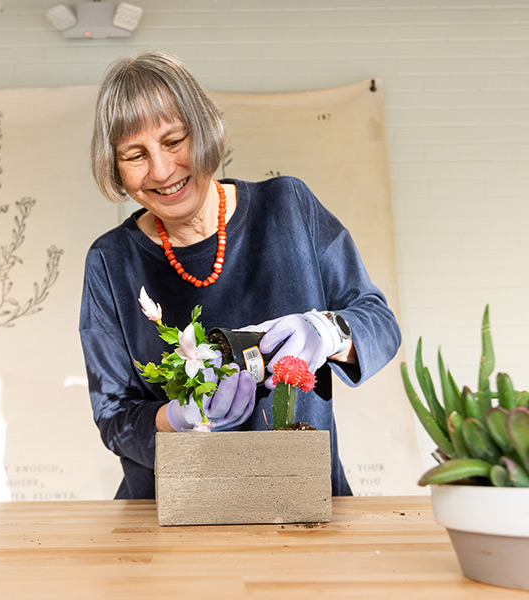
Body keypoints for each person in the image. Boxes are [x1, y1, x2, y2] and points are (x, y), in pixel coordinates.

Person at [80, 50, 401, 500]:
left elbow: (379, 321)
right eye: (135, 155)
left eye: (174, 142)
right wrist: (177, 418)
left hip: (299, 502)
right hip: (170, 515)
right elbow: (114, 414)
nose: (162, 170)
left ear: (206, 129)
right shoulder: (111, 262)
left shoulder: (287, 207)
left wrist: (328, 332)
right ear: (115, 166)